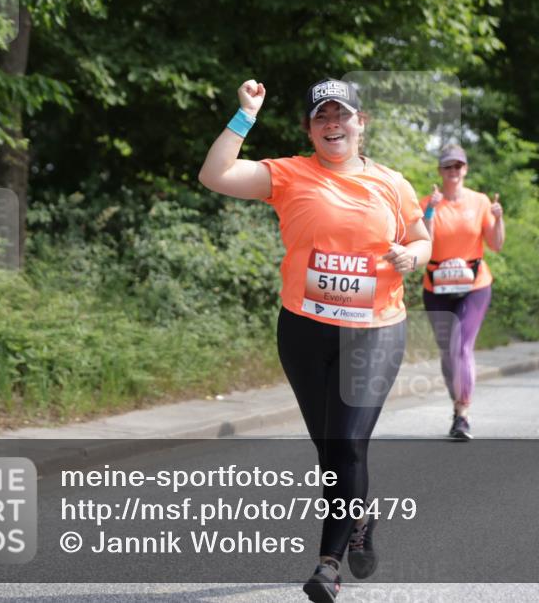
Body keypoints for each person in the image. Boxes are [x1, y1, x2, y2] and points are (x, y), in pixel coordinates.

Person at [199, 78, 431, 602]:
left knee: (348, 442)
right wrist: (245, 115)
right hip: (304, 328)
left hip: (374, 331)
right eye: (321, 117)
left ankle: (328, 566)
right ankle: (359, 520)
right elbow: (214, 175)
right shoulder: (288, 174)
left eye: (341, 115)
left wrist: (411, 257)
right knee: (332, 449)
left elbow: (422, 238)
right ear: (309, 128)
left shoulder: (392, 183)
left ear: (360, 123)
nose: (333, 125)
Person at [419, 144, 505, 440]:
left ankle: (463, 413)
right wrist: (430, 209)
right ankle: (456, 407)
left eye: (458, 166)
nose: (453, 172)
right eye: (447, 167)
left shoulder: (480, 201)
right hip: (436, 287)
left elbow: (496, 244)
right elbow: (425, 245)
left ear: (465, 169)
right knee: (448, 352)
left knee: (462, 347)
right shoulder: (428, 203)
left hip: (474, 286)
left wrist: (499, 217)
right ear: (440, 171)